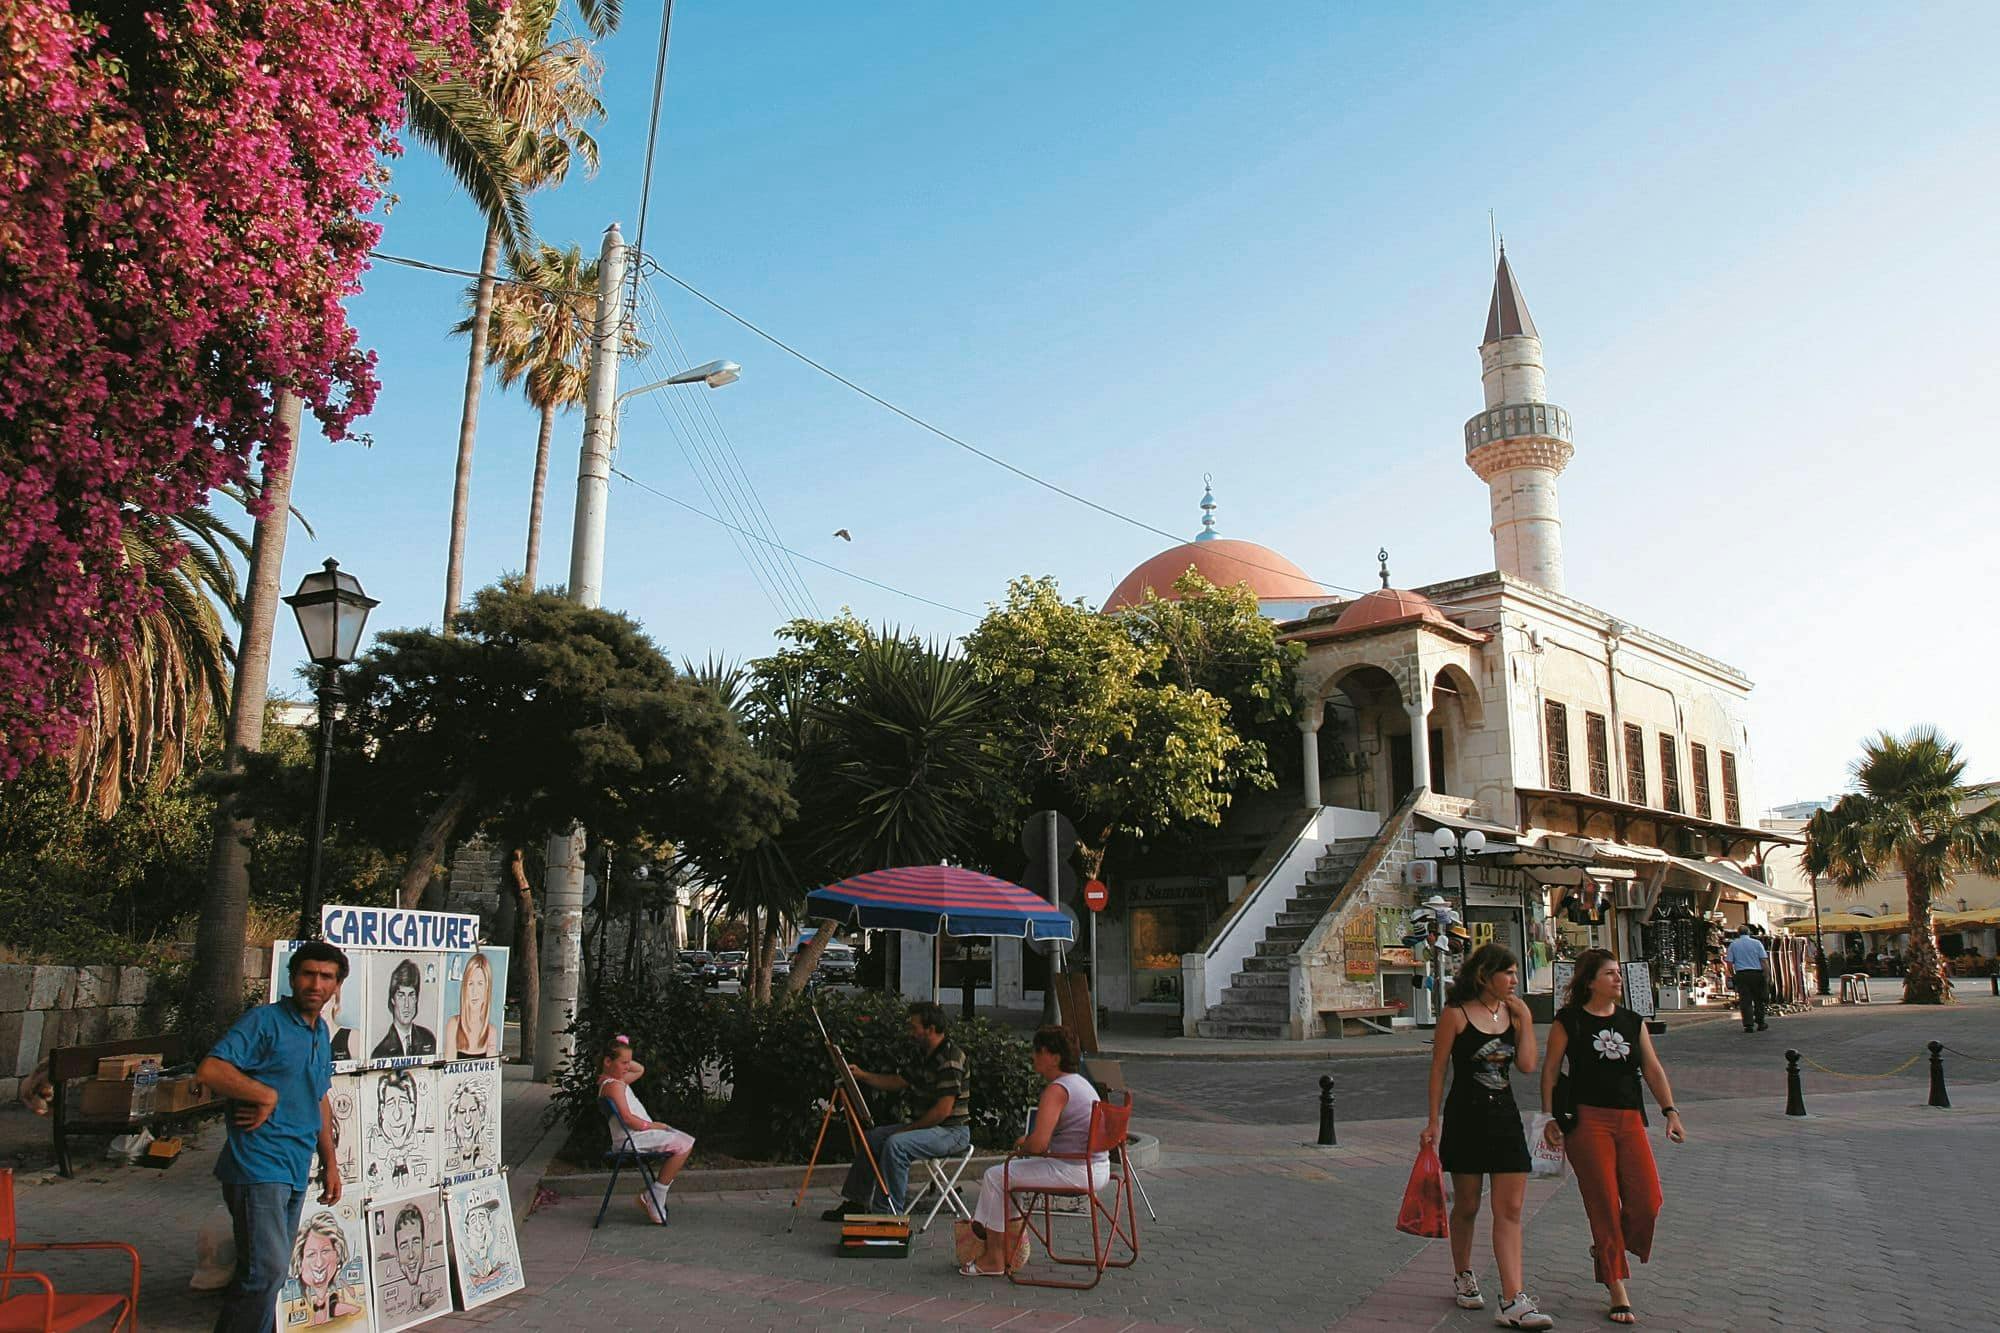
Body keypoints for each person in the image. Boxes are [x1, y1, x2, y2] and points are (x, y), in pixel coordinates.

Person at [197, 938, 346, 1333]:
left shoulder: (320, 1031)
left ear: (336, 986)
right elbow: (211, 1070)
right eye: (308, 974)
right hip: (257, 1165)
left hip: (297, 1166)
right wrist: (262, 1093)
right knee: (266, 1271)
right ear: (293, 978)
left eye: (326, 977)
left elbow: (319, 1098)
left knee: (268, 1275)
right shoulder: (264, 1022)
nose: (316, 984)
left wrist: (330, 1164)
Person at [1540, 948, 1687, 1327]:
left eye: (1619, 973)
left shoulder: (1631, 1021)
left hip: (1629, 1120)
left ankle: (1609, 1249)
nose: (1617, 979)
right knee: (1603, 1201)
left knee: (1648, 1200)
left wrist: (1669, 1111)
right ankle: (1615, 1283)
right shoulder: (1568, 1021)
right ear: (1590, 982)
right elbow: (1551, 1072)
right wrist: (1549, 1118)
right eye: (1609, 974)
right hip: (1588, 1121)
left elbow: (1652, 1069)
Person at [1422, 943, 1552, 1329]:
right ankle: (1463, 1273)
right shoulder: (1456, 1015)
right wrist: (1433, 1122)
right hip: (1466, 1117)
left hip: (1505, 1116)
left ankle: (1513, 1298)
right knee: (1466, 1204)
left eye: (1515, 973)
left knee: (1510, 1210)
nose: (1515, 980)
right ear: (1485, 975)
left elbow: (1527, 1065)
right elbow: (1438, 1069)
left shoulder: (1513, 1014)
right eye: (1508, 973)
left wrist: (1526, 1021)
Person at [959, 1024, 1107, 1277]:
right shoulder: (1081, 1084)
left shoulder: (1057, 1090)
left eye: (1039, 1051)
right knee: (1008, 1175)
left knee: (996, 1176)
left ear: (1055, 1057)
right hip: (1096, 1168)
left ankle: (993, 1255)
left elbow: (1038, 1146)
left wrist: (1022, 1144)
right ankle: (1008, 1246)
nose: (1033, 1056)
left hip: (1076, 1170)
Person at [820, 1001, 971, 1220]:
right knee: (872, 1138)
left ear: (929, 1028)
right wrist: (862, 1075)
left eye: (914, 1027)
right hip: (930, 1127)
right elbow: (898, 1081)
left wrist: (909, 1129)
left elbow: (943, 1111)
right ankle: (856, 1202)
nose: (910, 1032)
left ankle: (889, 1215)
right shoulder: (923, 1054)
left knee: (896, 1144)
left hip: (951, 1131)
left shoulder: (949, 1058)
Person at [599, 1035, 694, 1224]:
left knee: (683, 1139)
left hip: (636, 1136)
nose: (628, 1067)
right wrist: (653, 1125)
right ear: (607, 1061)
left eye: (628, 1062)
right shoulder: (613, 1086)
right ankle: (655, 1195)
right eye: (623, 1063)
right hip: (634, 1139)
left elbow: (639, 1069)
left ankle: (655, 1194)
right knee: (684, 1143)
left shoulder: (614, 1081)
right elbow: (627, 1118)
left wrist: (622, 1051)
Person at [286, 1211, 364, 1327]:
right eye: (311, 1254)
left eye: (325, 1251)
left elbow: (356, 1312)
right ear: (300, 1261)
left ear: (337, 1254)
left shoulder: (339, 1305)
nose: (319, 1263)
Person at [371, 958, 437, 1059]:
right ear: (393, 999)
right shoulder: (380, 1053)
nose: (407, 1004)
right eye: (401, 996)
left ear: (416, 999)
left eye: (411, 995)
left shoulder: (428, 1039)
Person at [443, 951, 499, 1059]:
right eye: (470, 984)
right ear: (464, 988)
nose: (474, 991)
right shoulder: (454, 1025)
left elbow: (490, 1073)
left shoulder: (491, 1032)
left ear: (487, 990)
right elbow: (449, 1067)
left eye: (480, 984)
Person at [1725, 928, 1770, 1032]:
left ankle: (1748, 1024)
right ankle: (1760, 1022)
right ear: (1749, 933)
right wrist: (1766, 975)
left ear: (1738, 933)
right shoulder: (1757, 943)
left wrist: (1733, 974)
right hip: (1756, 973)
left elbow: (1729, 963)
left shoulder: (1733, 944)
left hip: (1742, 974)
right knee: (1759, 999)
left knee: (1745, 1000)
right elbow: (1763, 960)